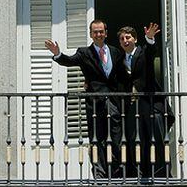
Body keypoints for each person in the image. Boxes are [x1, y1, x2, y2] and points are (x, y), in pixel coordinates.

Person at [45, 19, 127, 179]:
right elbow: (69, 61)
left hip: (113, 102)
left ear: (106, 33)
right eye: (95, 32)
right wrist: (57, 54)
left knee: (116, 138)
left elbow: (122, 77)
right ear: (91, 34)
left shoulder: (115, 52)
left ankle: (117, 173)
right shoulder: (84, 53)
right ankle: (100, 174)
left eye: (101, 31)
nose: (98, 34)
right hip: (95, 103)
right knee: (97, 139)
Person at [117, 23, 174, 178]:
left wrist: (149, 39)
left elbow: (151, 52)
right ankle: (138, 174)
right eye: (122, 39)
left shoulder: (143, 53)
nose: (125, 40)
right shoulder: (120, 59)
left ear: (135, 39)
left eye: (128, 37)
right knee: (134, 142)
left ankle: (162, 175)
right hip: (132, 108)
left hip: (151, 106)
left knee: (156, 142)